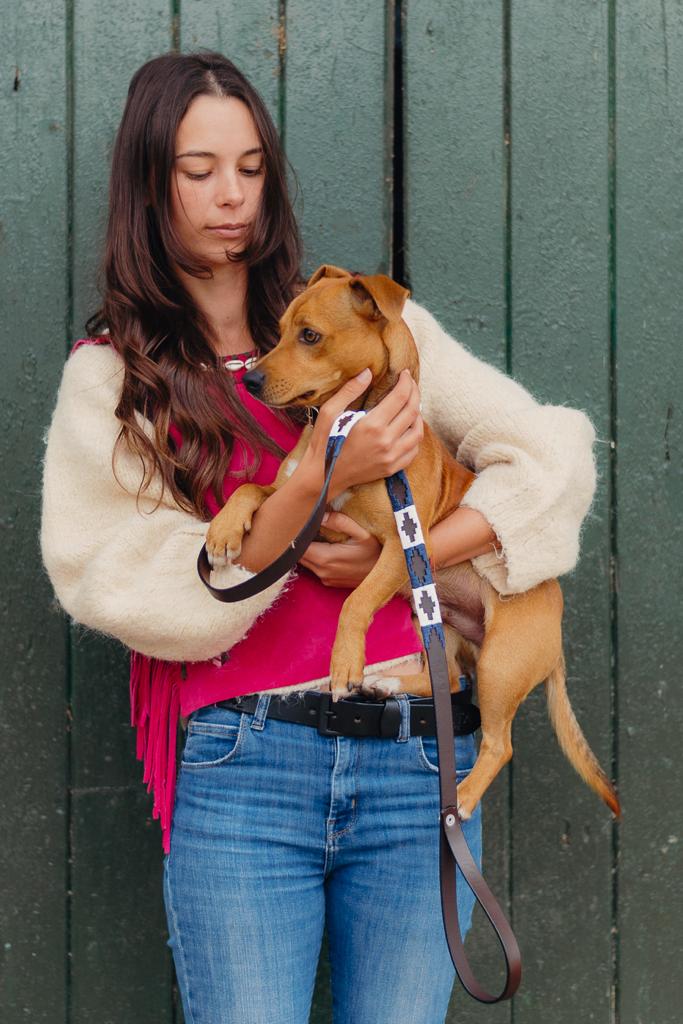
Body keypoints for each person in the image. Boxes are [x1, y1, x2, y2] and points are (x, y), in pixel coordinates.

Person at [40, 51, 597, 1024]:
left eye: (251, 168)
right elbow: (112, 580)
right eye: (198, 168)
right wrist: (310, 491)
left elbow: (551, 459)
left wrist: (423, 551)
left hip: (414, 756)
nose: (231, 197)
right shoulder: (112, 377)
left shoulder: (357, 323)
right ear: (148, 181)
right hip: (244, 766)